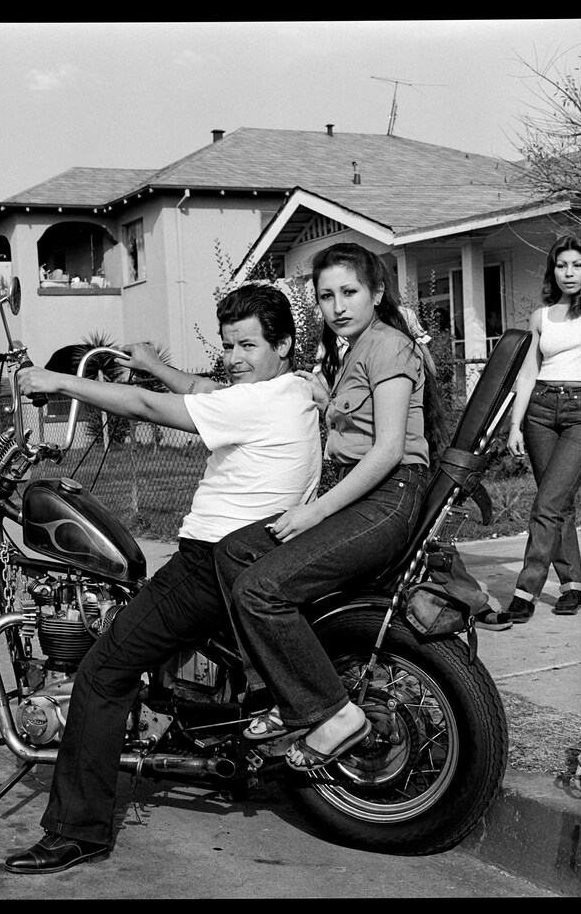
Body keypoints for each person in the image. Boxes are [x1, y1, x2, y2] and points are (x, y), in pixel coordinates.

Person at [4, 282, 322, 874]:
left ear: (282, 344)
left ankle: (79, 830)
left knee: (103, 671)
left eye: (248, 345)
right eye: (228, 345)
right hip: (248, 557)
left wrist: (60, 383)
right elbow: (205, 391)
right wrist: (154, 365)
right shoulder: (291, 391)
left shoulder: (256, 401)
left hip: (208, 563)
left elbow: (152, 411)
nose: (234, 358)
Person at [215, 242, 448, 770]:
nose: (337, 305)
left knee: (260, 590)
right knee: (233, 553)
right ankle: (282, 693)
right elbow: (359, 429)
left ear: (377, 293)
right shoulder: (353, 351)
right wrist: (327, 403)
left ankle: (333, 713)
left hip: (388, 498)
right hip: (363, 494)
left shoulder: (388, 345)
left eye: (350, 292)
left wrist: (313, 512)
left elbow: (388, 450)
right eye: (326, 296)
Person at [501, 234, 581, 623]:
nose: (569, 273)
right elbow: (529, 373)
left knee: (547, 504)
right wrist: (515, 424)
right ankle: (571, 586)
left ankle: (526, 590)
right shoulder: (541, 316)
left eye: (578, 264)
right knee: (558, 503)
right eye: (562, 265)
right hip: (539, 411)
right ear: (553, 270)